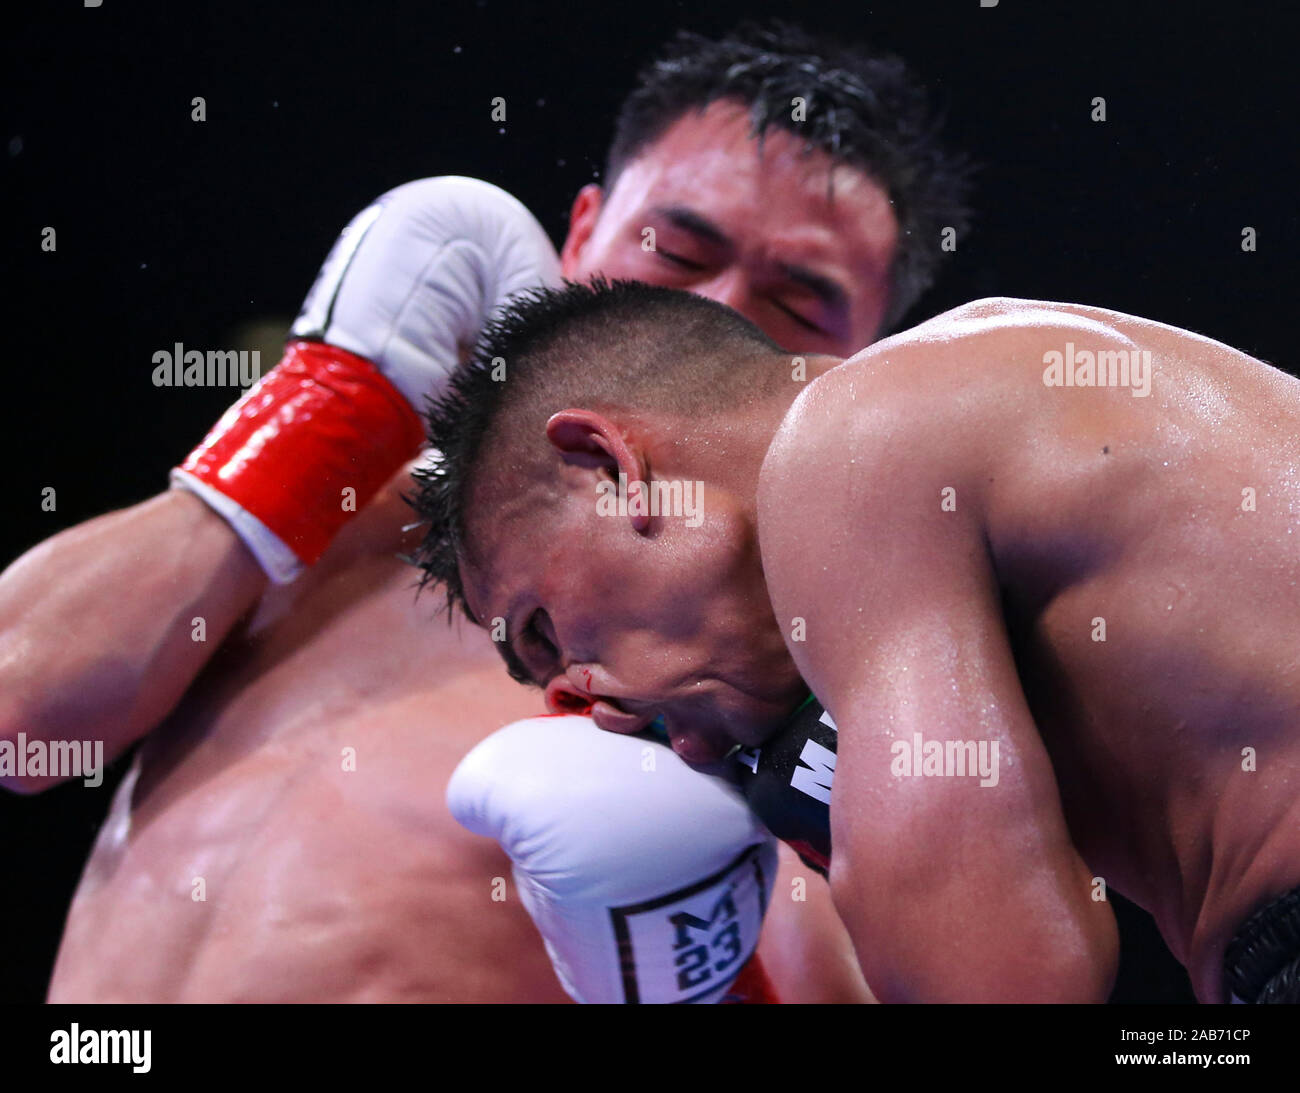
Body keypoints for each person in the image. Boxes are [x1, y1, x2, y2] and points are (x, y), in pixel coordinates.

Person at [0, 23, 966, 1002]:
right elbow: (16, 716)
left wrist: (691, 969)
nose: (715, 315)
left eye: (800, 306)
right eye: (677, 250)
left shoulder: (768, 697)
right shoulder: (346, 512)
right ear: (579, 233)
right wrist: (320, 415)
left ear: (851, 372)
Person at [415, 279, 1300, 1004]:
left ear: (610, 467)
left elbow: (1004, 989)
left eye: (545, 631)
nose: (603, 711)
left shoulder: (851, 438)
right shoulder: (996, 395)